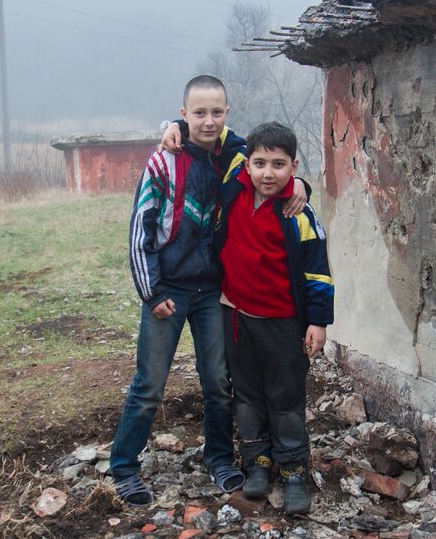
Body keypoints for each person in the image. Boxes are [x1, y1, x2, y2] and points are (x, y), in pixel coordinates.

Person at [108, 76, 303, 506]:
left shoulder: (234, 159)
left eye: (217, 112)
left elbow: (270, 165)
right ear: (183, 114)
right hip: (168, 291)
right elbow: (140, 230)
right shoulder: (162, 161)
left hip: (213, 292)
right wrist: (151, 292)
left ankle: (219, 459)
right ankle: (123, 467)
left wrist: (300, 183)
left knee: (218, 381)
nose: (208, 121)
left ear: (227, 114)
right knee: (150, 384)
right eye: (199, 113)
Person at [215, 122, 333, 516]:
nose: (268, 173)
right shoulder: (234, 188)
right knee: (246, 394)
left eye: (279, 164)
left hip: (283, 322)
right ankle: (258, 464)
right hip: (236, 318)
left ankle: (294, 470)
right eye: (260, 163)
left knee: (284, 397)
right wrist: (175, 128)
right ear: (246, 164)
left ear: (294, 166)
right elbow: (219, 132)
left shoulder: (297, 212)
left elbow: (318, 272)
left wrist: (318, 321)